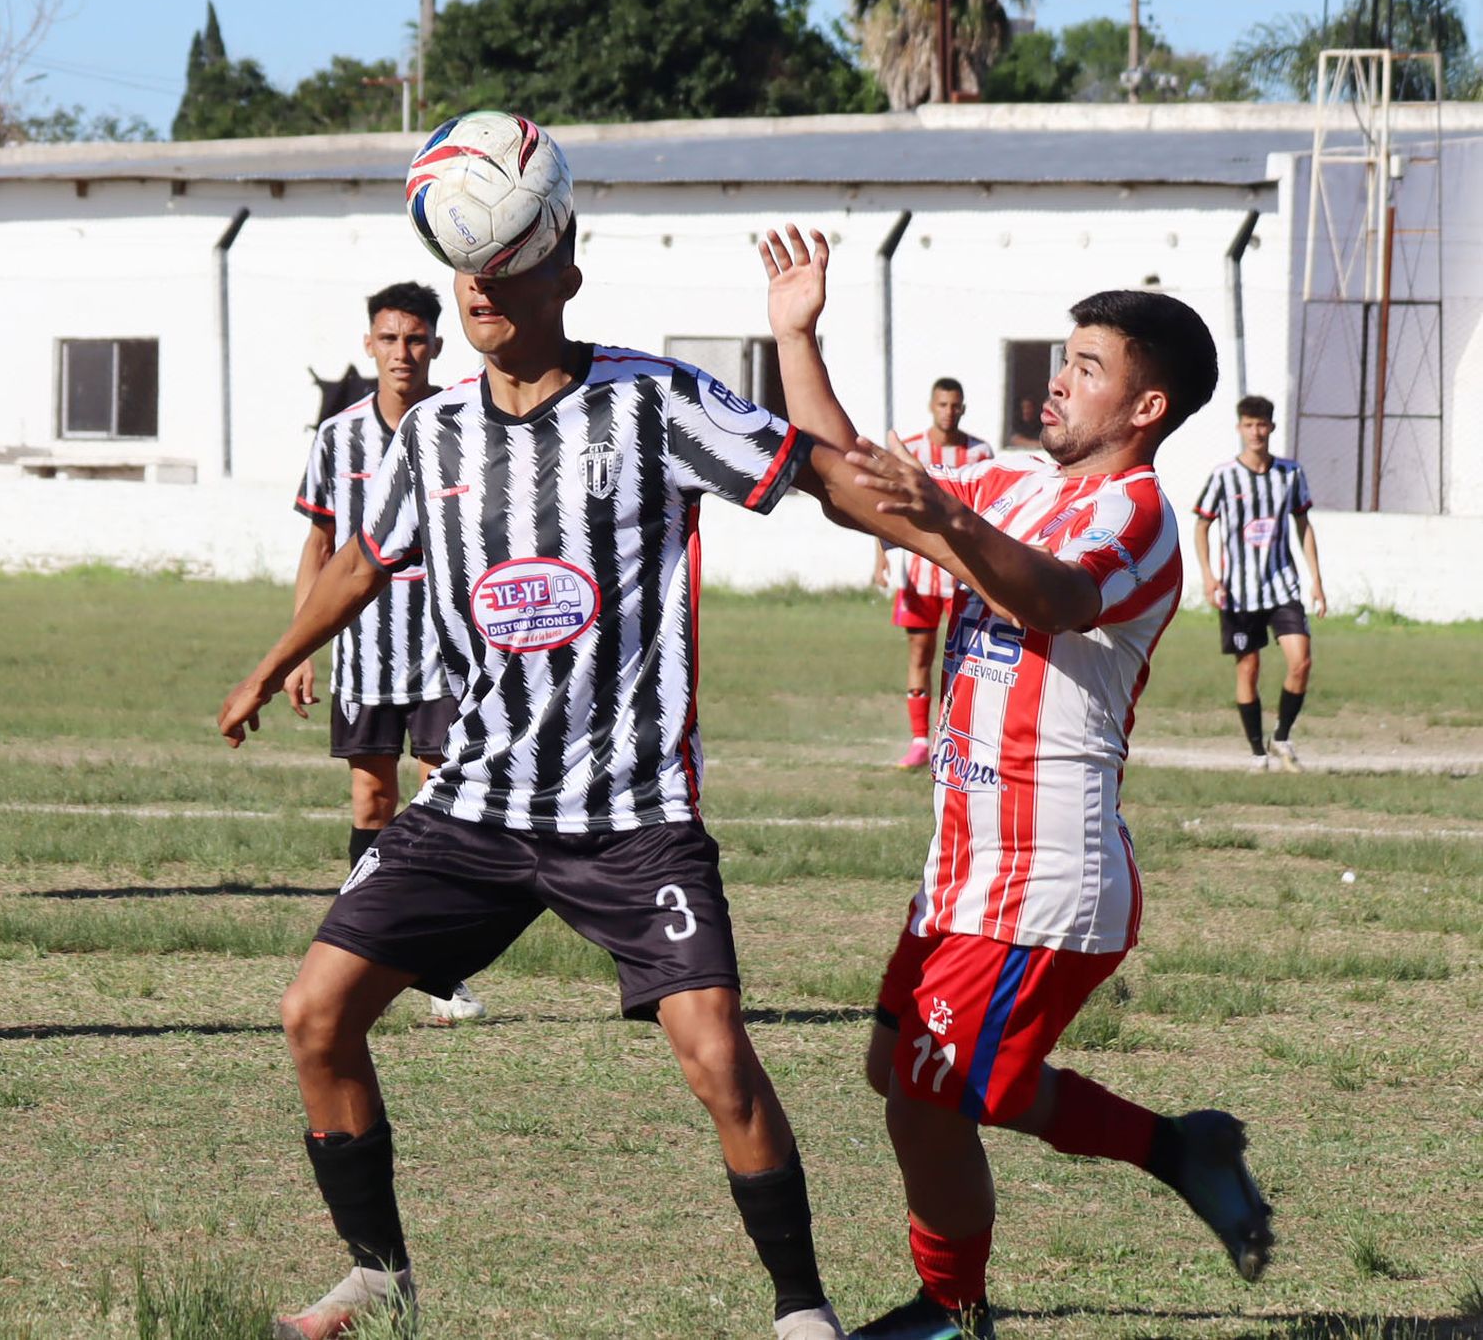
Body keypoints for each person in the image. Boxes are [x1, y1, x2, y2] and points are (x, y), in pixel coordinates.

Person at [219, 205, 852, 1340]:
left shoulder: (652, 400)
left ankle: (802, 1309)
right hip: (472, 801)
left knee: (717, 1057)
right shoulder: (436, 434)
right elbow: (364, 559)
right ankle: (377, 1274)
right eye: (465, 266)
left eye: (505, 264)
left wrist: (947, 536)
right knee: (316, 1013)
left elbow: (819, 474)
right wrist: (271, 664)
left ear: (565, 271)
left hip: (631, 811)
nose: (477, 288)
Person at [760, 226, 1275, 1340]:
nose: (1061, 378)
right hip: (963, 864)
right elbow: (846, 474)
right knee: (905, 1073)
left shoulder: (1136, 513)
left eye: (1090, 366)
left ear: (1146, 407)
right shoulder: (1008, 478)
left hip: (1049, 870)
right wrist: (799, 336)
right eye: (1065, 356)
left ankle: (951, 1310)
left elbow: (1055, 597)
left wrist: (941, 517)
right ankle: (1177, 1148)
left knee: (943, 1088)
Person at [287, 281, 483, 1025]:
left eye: (417, 339)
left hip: (447, 653)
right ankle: (364, 949)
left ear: (437, 344)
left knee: (441, 800)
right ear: (369, 344)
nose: (403, 352)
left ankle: (442, 970)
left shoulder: (461, 423)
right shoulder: (338, 437)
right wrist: (303, 647)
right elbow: (318, 544)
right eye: (389, 338)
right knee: (373, 799)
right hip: (365, 655)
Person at [1193, 395, 1326, 772]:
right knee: (1248, 669)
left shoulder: (1290, 473)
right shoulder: (1223, 476)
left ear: (1271, 428)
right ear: (1240, 429)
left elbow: (1304, 525)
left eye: (1262, 424)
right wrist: (1208, 577)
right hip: (1238, 591)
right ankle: (1257, 754)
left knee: (1301, 661)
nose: (1256, 431)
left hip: (1282, 586)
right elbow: (1202, 524)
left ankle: (1282, 736)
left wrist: (1316, 579)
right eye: (1249, 424)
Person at [875, 380, 993, 768]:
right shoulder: (912, 450)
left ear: (963, 408)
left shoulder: (979, 453)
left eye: (955, 405)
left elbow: (989, 507)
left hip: (963, 573)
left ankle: (958, 739)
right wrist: (881, 556)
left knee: (967, 659)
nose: (949, 411)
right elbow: (888, 505)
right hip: (920, 573)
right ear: (932, 405)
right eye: (943, 404)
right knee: (920, 651)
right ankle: (920, 740)